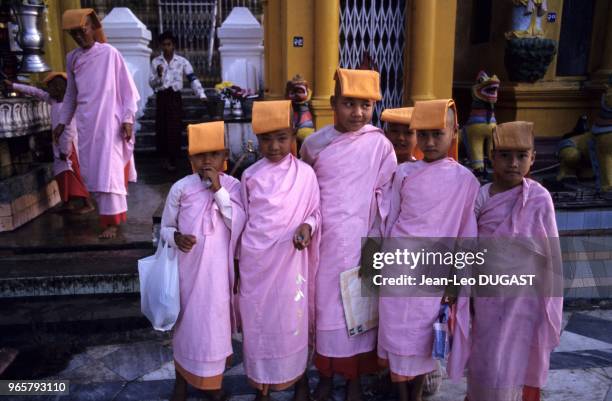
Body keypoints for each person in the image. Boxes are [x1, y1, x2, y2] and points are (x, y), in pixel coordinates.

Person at [300, 68, 396, 401]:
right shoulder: (313, 144)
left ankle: (354, 378)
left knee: (360, 311)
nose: (357, 113)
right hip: (324, 242)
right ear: (332, 103)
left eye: (366, 105)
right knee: (327, 311)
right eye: (349, 103)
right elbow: (304, 193)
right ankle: (325, 376)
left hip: (365, 240)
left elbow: (387, 193)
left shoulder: (380, 145)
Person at [378, 99, 479, 401]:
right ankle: (401, 394)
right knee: (395, 332)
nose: (430, 142)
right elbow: (391, 218)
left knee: (425, 336)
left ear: (454, 132)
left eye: (438, 134)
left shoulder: (465, 180)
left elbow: (466, 235)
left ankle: (418, 393)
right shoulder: (405, 172)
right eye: (423, 135)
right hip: (398, 266)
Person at [466, 121, 563, 401]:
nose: (513, 163)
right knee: (487, 357)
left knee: (518, 355)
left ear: (533, 158)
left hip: (525, 296)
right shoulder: (481, 196)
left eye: (522, 156)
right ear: (492, 157)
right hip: (487, 294)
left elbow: (550, 251)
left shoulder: (540, 198)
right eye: (505, 155)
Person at [238, 100, 320, 401]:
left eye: (282, 137)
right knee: (258, 324)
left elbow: (315, 212)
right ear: (256, 138)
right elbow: (242, 219)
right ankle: (262, 384)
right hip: (257, 263)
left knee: (292, 322)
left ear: (294, 134)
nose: (274, 146)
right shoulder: (250, 176)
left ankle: (299, 380)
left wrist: (307, 228)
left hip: (290, 262)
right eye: (266, 138)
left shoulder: (306, 174)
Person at [160, 121, 246, 401]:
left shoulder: (233, 186)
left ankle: (212, 386)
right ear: (190, 159)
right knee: (185, 327)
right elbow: (164, 228)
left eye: (214, 154)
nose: (207, 160)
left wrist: (218, 190)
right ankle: (181, 382)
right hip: (187, 275)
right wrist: (176, 238)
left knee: (214, 329)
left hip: (218, 277)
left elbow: (239, 223)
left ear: (225, 157)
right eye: (200, 155)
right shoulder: (181, 188)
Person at [54, 8, 140, 239]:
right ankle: (108, 216)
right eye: (74, 34)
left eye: (82, 31)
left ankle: (112, 222)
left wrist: (128, 118)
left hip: (109, 122)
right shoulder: (72, 59)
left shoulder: (110, 54)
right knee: (93, 172)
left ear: (93, 27)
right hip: (86, 123)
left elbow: (127, 90)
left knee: (109, 171)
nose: (80, 37)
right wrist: (63, 121)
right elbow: (71, 93)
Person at [5, 73, 94, 214]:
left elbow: (69, 130)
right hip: (59, 146)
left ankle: (87, 203)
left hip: (69, 147)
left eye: (52, 86)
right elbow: (36, 92)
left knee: (74, 175)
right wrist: (14, 85)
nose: (49, 89)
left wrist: (65, 151)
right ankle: (67, 202)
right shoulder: (54, 101)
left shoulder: (67, 104)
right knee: (62, 176)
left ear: (60, 87)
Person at [149, 31, 208, 171]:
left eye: (168, 44)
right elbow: (151, 83)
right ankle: (164, 159)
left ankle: (174, 159)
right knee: (162, 128)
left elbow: (192, 78)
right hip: (162, 97)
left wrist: (202, 94)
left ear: (173, 45)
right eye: (163, 45)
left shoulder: (182, 62)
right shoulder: (156, 62)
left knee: (174, 128)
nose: (166, 47)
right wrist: (158, 75)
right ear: (160, 46)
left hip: (175, 98)